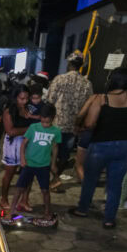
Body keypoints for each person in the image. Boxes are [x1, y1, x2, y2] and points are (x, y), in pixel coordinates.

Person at [69, 67, 127, 229]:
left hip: (101, 145)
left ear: (111, 80)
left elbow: (90, 124)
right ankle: (109, 219)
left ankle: (83, 209)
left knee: (90, 178)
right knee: (115, 183)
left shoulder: (101, 99)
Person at [45, 51, 93, 189]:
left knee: (51, 153)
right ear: (81, 65)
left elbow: (49, 100)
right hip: (73, 126)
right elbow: (88, 106)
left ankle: (53, 179)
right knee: (64, 155)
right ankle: (56, 177)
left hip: (56, 124)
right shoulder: (87, 83)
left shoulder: (59, 79)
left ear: (69, 64)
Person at [8, 104, 60, 222]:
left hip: (44, 166)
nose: (45, 124)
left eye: (48, 122)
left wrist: (53, 164)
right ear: (40, 117)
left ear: (53, 118)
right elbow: (23, 144)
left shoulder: (56, 131)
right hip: (29, 164)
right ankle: (11, 211)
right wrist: (22, 158)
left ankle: (47, 212)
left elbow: (55, 147)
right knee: (19, 188)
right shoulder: (33, 127)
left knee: (45, 190)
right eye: (43, 121)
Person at [0, 85, 33, 210]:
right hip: (13, 145)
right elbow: (10, 131)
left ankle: (24, 200)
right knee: (10, 173)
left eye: (26, 98)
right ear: (15, 98)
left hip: (27, 143)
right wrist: (30, 129)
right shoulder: (8, 111)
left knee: (28, 174)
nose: (24, 101)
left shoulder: (29, 108)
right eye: (21, 98)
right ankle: (4, 199)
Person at [73, 94, 97, 181]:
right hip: (104, 136)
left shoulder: (95, 98)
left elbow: (80, 115)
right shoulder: (117, 99)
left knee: (79, 164)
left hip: (89, 132)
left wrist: (76, 126)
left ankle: (86, 186)